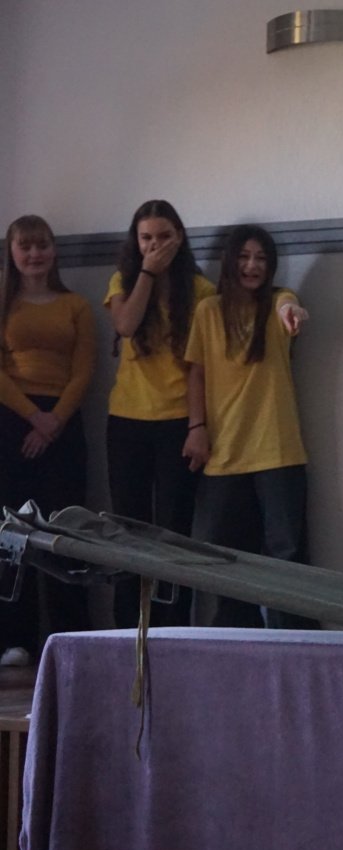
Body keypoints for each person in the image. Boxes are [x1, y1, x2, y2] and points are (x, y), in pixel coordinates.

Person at [182, 224, 317, 629]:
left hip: (279, 450)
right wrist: (196, 427)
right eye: (244, 256)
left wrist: (293, 312)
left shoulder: (278, 302)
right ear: (229, 261)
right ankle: (236, 641)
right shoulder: (208, 310)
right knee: (226, 558)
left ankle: (292, 641)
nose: (252, 265)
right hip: (223, 453)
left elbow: (288, 305)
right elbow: (196, 373)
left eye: (260, 258)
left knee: (287, 555)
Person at [105, 200, 216, 629]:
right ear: (136, 241)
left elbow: (200, 368)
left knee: (174, 532)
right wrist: (148, 274)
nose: (155, 246)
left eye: (164, 237)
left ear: (180, 237)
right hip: (127, 419)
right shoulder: (123, 280)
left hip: (178, 421)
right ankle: (125, 630)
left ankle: (172, 630)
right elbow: (125, 325)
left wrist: (197, 426)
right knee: (126, 529)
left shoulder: (201, 291)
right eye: (146, 238)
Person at [0, 215, 95, 665]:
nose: (35, 254)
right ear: (12, 253)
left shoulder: (75, 305)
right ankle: (14, 639)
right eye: (26, 246)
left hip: (63, 424)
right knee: (12, 533)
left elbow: (84, 370)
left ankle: (68, 634)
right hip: (12, 422)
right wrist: (32, 417)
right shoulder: (3, 304)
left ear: (54, 251)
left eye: (42, 245)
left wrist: (53, 420)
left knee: (64, 530)